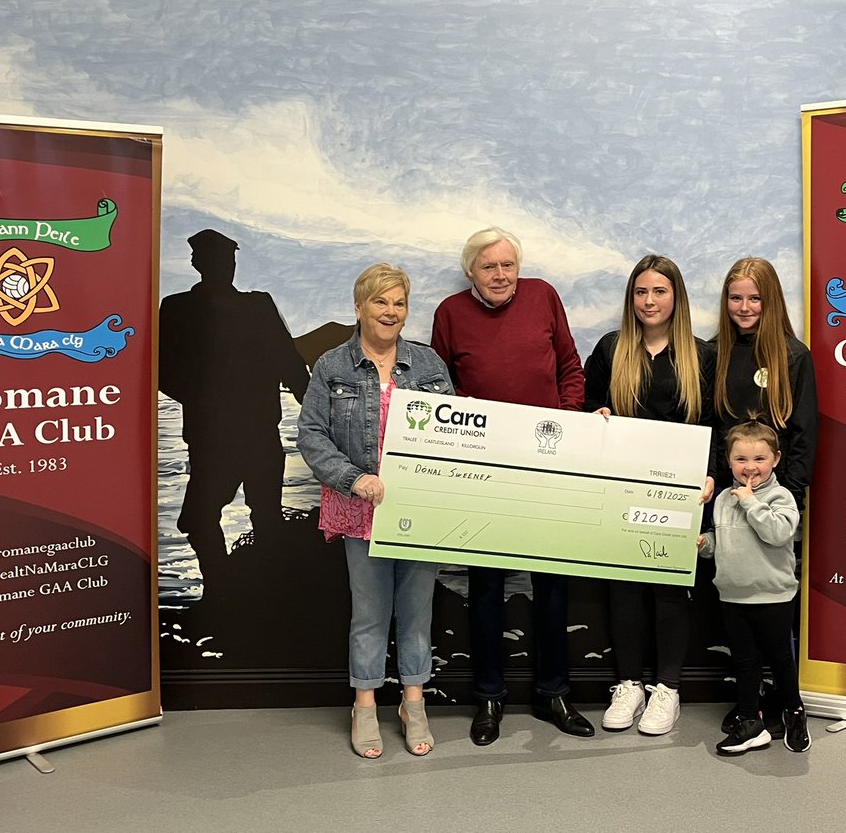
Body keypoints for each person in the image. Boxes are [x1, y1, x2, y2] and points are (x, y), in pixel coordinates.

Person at [431, 227, 593, 745]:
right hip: (485, 469)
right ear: (470, 272)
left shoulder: (544, 295)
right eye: (488, 267)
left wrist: (567, 424)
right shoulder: (450, 313)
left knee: (552, 583)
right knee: (486, 586)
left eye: (507, 265)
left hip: (548, 463)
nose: (500, 275)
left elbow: (570, 367)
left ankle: (553, 693)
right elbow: (441, 389)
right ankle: (489, 697)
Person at [297, 264, 453, 759]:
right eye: (380, 302)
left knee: (416, 613)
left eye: (399, 303)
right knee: (368, 614)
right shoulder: (331, 366)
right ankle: (364, 704)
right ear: (359, 306)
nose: (391, 312)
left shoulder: (429, 367)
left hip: (418, 512)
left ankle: (413, 703)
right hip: (358, 511)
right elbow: (311, 434)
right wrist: (353, 479)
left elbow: (457, 433)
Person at [583, 255, 715, 736]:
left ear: (675, 297)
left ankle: (667, 689)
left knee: (669, 589)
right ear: (630, 298)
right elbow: (586, 406)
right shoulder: (611, 348)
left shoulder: (702, 356)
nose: (649, 301)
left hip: (681, 493)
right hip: (620, 490)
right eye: (641, 292)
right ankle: (629, 685)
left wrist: (712, 475)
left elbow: (716, 425)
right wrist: (593, 418)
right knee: (623, 590)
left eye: (659, 291)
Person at [159, 229, 310, 602]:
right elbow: (162, 371)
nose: (224, 265)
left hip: (259, 435)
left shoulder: (258, 305)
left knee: (266, 517)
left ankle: (264, 596)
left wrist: (322, 419)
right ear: (197, 262)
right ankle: (221, 588)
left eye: (228, 258)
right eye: (214, 258)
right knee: (198, 517)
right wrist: (203, 398)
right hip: (211, 439)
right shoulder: (177, 308)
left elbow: (290, 365)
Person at [711, 256, 818, 734]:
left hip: (774, 503)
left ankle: (789, 701)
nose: (745, 306)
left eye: (755, 298)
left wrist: (784, 496)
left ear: (770, 300)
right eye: (736, 297)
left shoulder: (794, 356)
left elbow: (803, 436)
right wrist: (722, 491)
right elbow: (710, 429)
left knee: (775, 624)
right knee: (739, 626)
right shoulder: (712, 354)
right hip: (728, 502)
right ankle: (749, 703)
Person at [697, 421, 810, 755]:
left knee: (779, 660)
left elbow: (777, 533)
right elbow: (723, 541)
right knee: (744, 662)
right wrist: (705, 543)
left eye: (759, 458)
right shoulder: (721, 499)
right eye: (741, 459)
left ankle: (794, 712)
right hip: (733, 595)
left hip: (773, 596)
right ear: (729, 462)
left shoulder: (780, 496)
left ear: (775, 459)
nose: (750, 467)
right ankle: (750, 722)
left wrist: (749, 501)